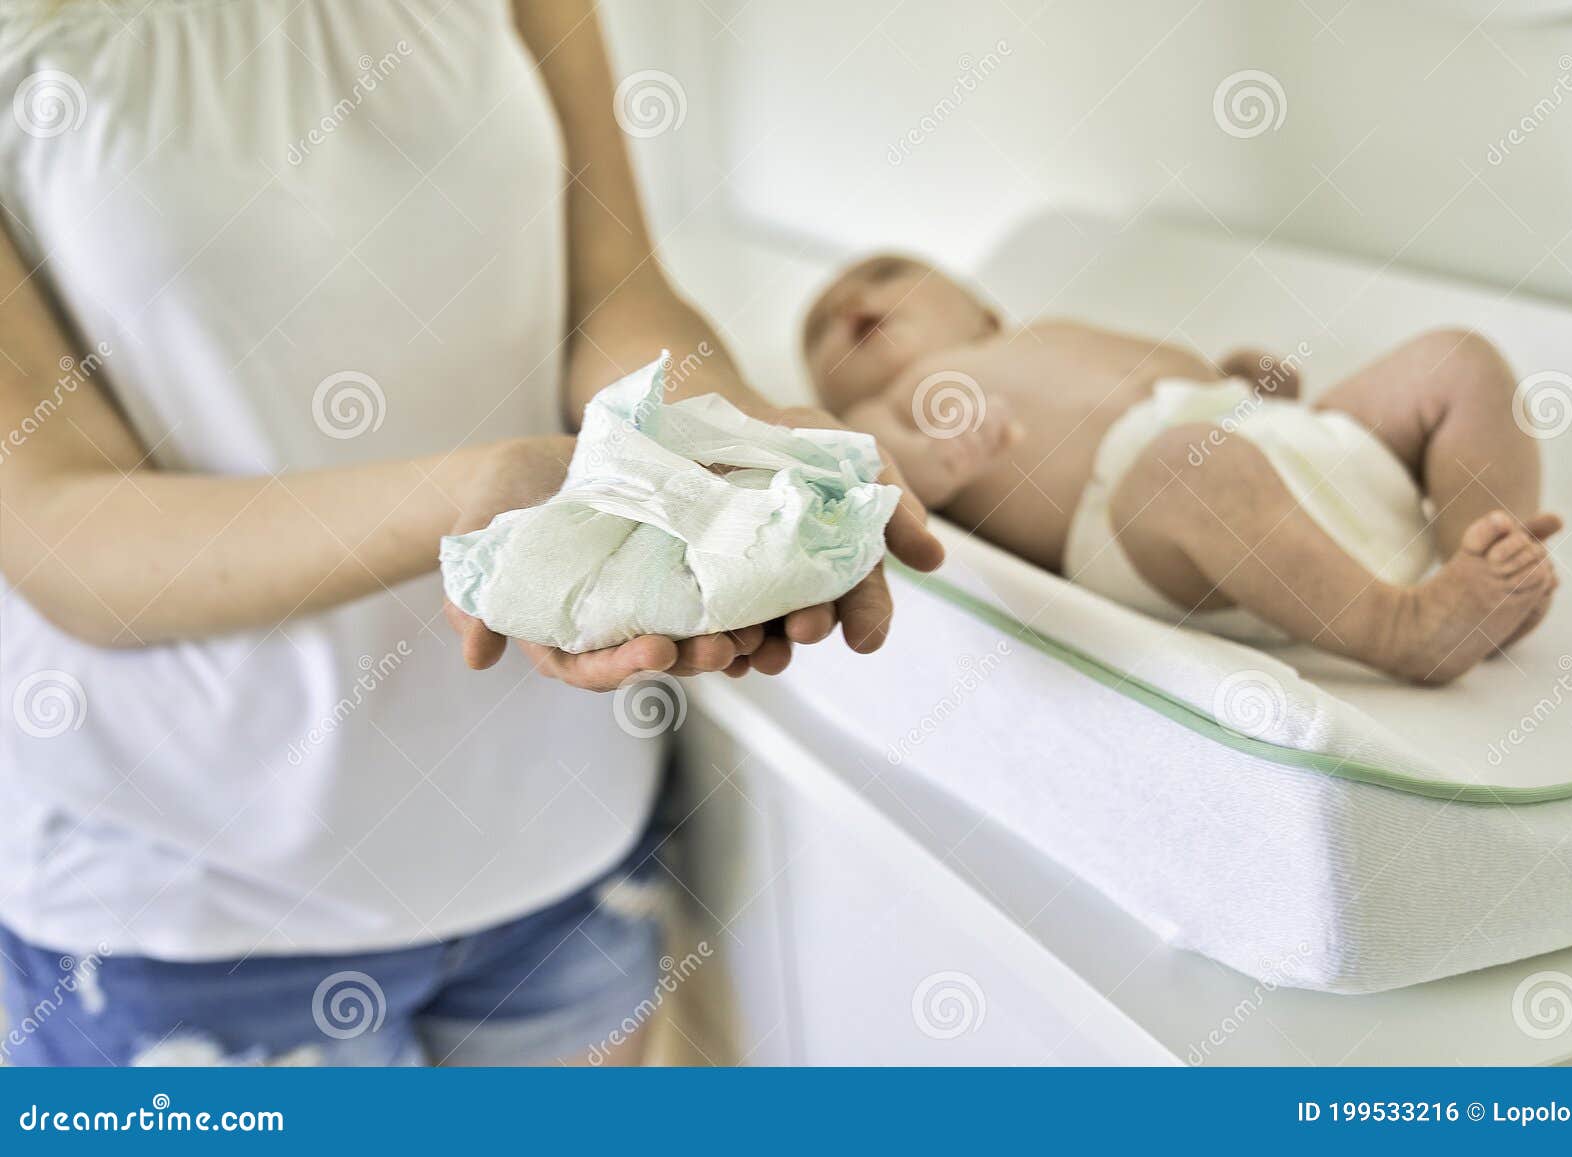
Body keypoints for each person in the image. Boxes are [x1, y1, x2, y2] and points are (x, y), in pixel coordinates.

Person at [0, 0, 938, 1067]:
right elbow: (62, 526)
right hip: (196, 922)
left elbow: (613, 294)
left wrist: (723, 432)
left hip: (565, 859)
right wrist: (473, 503)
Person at [804, 254, 1560, 684]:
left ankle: (1487, 550)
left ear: (982, 310)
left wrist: (1239, 381)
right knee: (1183, 465)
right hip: (1155, 523)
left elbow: (1171, 376)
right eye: (819, 330)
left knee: (1457, 359)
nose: (849, 301)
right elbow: (889, 481)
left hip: (1278, 445)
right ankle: (1407, 626)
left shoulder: (1040, 333)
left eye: (885, 271)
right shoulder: (881, 406)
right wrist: (938, 462)